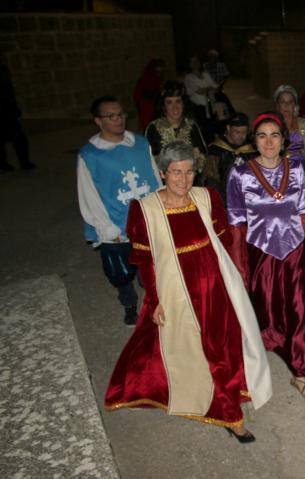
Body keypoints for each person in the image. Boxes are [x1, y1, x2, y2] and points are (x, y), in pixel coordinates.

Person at [105, 141, 272, 443]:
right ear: (162, 173)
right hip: (177, 292)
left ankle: (229, 406)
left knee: (222, 345)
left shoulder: (206, 197)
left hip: (216, 287)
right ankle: (226, 411)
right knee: (175, 347)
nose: (183, 180)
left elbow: (224, 242)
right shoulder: (145, 209)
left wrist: (237, 277)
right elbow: (145, 260)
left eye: (189, 172)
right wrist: (154, 299)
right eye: (176, 173)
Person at [227, 113, 305, 401]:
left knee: (299, 309)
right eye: (262, 136)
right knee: (262, 309)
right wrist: (239, 264)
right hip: (260, 252)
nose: (268, 142)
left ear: (283, 140)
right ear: (254, 141)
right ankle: (255, 364)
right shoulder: (240, 173)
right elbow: (236, 223)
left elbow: (304, 213)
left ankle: (300, 371)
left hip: (294, 249)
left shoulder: (298, 168)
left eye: (275, 135)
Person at [77, 96, 162, 325]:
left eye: (121, 114)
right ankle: (129, 303)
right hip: (116, 224)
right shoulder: (91, 155)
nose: (118, 119)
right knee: (121, 271)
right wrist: (106, 228)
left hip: (147, 219)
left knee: (152, 267)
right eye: (111, 116)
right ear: (98, 121)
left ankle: (154, 302)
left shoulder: (140, 143)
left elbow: (154, 176)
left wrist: (162, 207)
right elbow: (89, 194)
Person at [145, 81, 207, 172]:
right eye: (169, 102)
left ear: (183, 103)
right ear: (163, 106)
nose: (175, 107)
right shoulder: (153, 128)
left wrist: (197, 159)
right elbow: (146, 160)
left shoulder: (192, 125)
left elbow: (203, 157)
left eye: (178, 101)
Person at [201, 112, 257, 201]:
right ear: (228, 128)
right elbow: (211, 180)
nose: (241, 136)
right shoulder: (216, 150)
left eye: (244, 132)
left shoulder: (251, 151)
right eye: (237, 132)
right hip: (222, 201)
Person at [0, 63, 35, 171]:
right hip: (6, 112)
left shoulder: (3, 73)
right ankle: (20, 163)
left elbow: (9, 94)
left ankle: (22, 162)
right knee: (18, 139)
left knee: (18, 139)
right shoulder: (3, 75)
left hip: (8, 112)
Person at [183, 55, 218, 141]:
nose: (195, 64)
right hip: (198, 107)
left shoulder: (206, 74)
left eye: (196, 61)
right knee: (202, 129)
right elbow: (199, 91)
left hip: (210, 105)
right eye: (192, 62)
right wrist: (209, 88)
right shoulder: (189, 77)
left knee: (211, 127)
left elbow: (216, 86)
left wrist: (206, 89)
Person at [132, 58, 165, 132]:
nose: (160, 69)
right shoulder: (147, 77)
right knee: (148, 123)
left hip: (153, 103)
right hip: (146, 104)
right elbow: (144, 92)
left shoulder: (157, 77)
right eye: (159, 67)